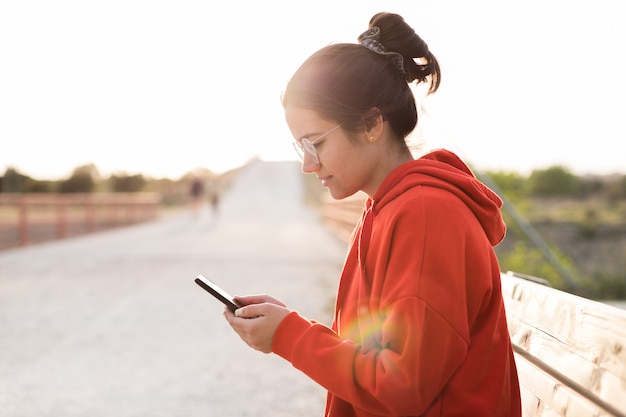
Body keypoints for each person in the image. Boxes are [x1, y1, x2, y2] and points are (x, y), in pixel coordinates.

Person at [224, 12, 521, 417]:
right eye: (300, 148)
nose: (308, 165)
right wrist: (285, 325)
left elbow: (400, 385)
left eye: (315, 144)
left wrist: (290, 335)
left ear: (370, 125)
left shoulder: (425, 215)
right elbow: (383, 355)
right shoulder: (386, 209)